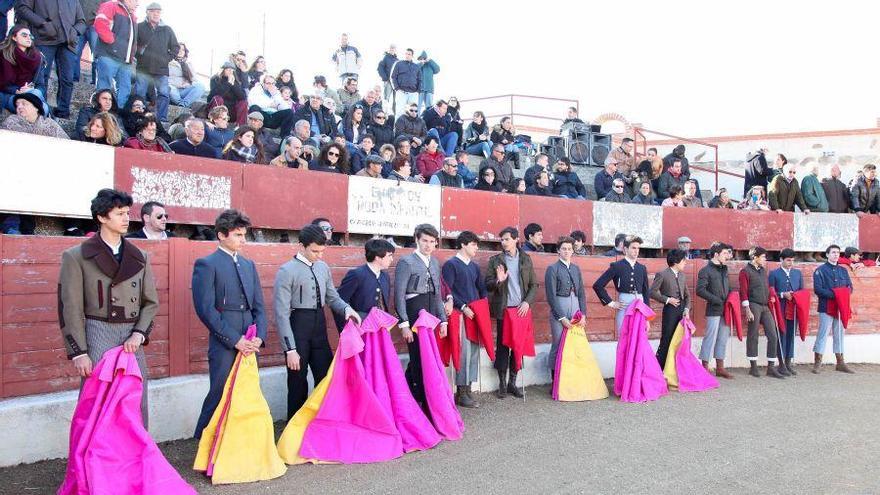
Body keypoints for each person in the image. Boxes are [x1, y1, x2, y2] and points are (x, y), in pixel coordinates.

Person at [58, 188, 158, 426]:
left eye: (127, 213)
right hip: (97, 334)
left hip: (130, 339)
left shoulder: (139, 256)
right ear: (102, 217)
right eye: (119, 214)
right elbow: (69, 307)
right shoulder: (76, 256)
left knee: (135, 399)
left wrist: (139, 333)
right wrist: (79, 352)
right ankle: (94, 462)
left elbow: (151, 303)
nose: (126, 219)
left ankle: (134, 460)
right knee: (97, 401)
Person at [191, 209, 267, 438]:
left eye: (244, 235)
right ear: (222, 235)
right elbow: (205, 309)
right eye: (237, 235)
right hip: (225, 339)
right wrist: (235, 340)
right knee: (220, 391)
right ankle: (204, 444)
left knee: (246, 393)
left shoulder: (248, 264)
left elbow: (259, 306)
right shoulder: (207, 264)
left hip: (250, 338)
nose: (243, 240)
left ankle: (239, 444)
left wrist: (258, 337)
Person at [273, 224, 359, 419]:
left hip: (319, 328)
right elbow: (281, 313)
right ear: (301, 246)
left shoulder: (323, 267)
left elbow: (332, 297)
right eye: (315, 251)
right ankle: (294, 431)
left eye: (322, 251)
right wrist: (290, 349)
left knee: (326, 377)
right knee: (297, 381)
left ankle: (323, 424)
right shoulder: (286, 271)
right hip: (298, 328)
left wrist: (347, 309)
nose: (319, 255)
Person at [394, 224, 448, 408]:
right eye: (425, 240)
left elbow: (438, 292)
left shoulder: (434, 262)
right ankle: (419, 399)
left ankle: (410, 392)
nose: (428, 245)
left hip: (430, 311)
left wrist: (443, 320)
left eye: (432, 242)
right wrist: (404, 324)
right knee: (418, 356)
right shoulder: (406, 262)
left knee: (427, 355)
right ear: (417, 239)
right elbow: (399, 294)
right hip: (414, 310)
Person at [485, 227, 537, 398]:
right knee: (503, 346)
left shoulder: (525, 259)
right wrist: (498, 281)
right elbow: (488, 285)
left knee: (518, 346)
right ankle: (501, 384)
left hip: (521, 310)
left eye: (507, 239)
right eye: (502, 240)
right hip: (504, 309)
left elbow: (533, 285)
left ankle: (512, 383)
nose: (504, 242)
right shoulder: (495, 260)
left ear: (516, 240)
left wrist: (527, 302)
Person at [441, 231, 488, 408]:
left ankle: (468, 388)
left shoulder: (474, 267)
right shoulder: (451, 265)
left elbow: (481, 288)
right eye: (474, 244)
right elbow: (448, 291)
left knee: (473, 351)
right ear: (463, 245)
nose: (476, 247)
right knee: (463, 352)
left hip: (475, 313)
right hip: (460, 314)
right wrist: (462, 307)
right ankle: (461, 392)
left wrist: (482, 304)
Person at [16, 0, 85, 118]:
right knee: (42, 77)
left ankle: (63, 111)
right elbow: (22, 8)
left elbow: (81, 21)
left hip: (67, 43)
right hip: (44, 39)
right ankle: (42, 108)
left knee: (67, 79)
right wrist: (42, 23)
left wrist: (74, 31)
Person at [545, 236, 587, 385]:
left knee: (574, 344)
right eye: (564, 248)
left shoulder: (576, 268)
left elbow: (581, 292)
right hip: (560, 307)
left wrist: (583, 314)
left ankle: (571, 380)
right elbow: (551, 296)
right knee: (558, 343)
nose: (567, 251)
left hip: (575, 306)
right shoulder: (552, 269)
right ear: (558, 250)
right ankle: (555, 382)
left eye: (569, 249)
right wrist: (561, 317)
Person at [739, 246, 785, 379]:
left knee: (773, 334)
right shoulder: (745, 271)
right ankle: (753, 366)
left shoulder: (763, 271)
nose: (765, 259)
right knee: (753, 335)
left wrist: (770, 296)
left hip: (765, 305)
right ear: (755, 257)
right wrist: (747, 309)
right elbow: (743, 291)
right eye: (763, 257)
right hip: (753, 305)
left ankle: (771, 366)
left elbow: (766, 287)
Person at [592, 235, 651, 333]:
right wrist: (611, 303)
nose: (636, 251)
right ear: (625, 249)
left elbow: (645, 292)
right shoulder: (617, 266)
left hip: (640, 306)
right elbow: (598, 285)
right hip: (625, 304)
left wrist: (647, 318)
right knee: (624, 338)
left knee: (638, 339)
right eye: (633, 248)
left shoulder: (642, 268)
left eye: (638, 248)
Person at [812, 244, 855, 374]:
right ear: (827, 255)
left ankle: (840, 362)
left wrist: (841, 296)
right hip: (826, 306)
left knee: (839, 333)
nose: (836, 254)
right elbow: (818, 290)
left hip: (840, 307)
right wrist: (836, 295)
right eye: (833, 252)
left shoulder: (843, 271)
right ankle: (817, 362)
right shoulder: (820, 270)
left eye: (838, 252)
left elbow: (850, 288)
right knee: (823, 333)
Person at [133, 3, 178, 123]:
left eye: (158, 12)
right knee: (140, 93)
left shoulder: (167, 29)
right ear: (147, 12)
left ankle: (161, 118)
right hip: (143, 67)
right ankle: (140, 117)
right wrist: (140, 54)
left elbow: (175, 47)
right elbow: (133, 45)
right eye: (153, 11)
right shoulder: (139, 27)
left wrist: (166, 58)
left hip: (161, 69)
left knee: (163, 94)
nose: (156, 14)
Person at [696, 242, 735, 379]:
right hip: (713, 308)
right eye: (724, 253)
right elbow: (700, 290)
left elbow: (727, 287)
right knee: (710, 337)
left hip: (725, 308)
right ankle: (704, 367)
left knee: (723, 338)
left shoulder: (724, 269)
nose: (727, 256)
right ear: (716, 254)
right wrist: (716, 300)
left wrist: (730, 299)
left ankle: (720, 367)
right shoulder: (705, 271)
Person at [93, 0, 138, 116]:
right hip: (108, 55)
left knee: (125, 89)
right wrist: (113, 43)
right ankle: (101, 115)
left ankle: (117, 116)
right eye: (136, 1)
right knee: (104, 87)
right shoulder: (110, 5)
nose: (137, 4)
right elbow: (100, 23)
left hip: (125, 60)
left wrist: (131, 54)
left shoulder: (133, 16)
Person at [650, 249, 690, 368]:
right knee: (667, 339)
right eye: (683, 261)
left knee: (680, 340)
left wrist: (687, 309)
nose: (685, 263)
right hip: (670, 311)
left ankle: (675, 368)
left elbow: (687, 295)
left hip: (682, 311)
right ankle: (660, 368)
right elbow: (652, 292)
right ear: (676, 262)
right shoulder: (662, 274)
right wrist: (668, 300)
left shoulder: (682, 275)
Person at [768, 248, 802, 377]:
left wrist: (796, 296)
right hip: (780, 308)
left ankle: (788, 363)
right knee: (781, 334)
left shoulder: (797, 273)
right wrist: (782, 294)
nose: (791, 263)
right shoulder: (774, 274)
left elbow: (801, 291)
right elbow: (770, 292)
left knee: (791, 335)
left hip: (793, 308)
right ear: (781, 260)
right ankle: (781, 364)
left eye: (793, 260)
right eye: (788, 260)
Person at [0, 24, 41, 113]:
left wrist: (29, 88)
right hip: (8, 94)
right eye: (24, 35)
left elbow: (41, 85)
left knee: (37, 93)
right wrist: (16, 90)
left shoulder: (37, 57)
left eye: (30, 36)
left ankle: (45, 122)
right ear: (14, 37)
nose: (28, 38)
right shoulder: (3, 54)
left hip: (30, 93)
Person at [0, 89, 68, 138]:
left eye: (24, 104)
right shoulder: (10, 122)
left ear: (36, 108)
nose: (19, 107)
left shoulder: (50, 125)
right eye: (17, 105)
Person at [246, 74, 295, 139]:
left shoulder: (276, 92)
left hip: (273, 117)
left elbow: (285, 107)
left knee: (289, 112)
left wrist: (274, 95)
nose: (271, 86)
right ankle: (254, 132)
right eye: (268, 83)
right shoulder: (256, 90)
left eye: (272, 83)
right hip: (262, 115)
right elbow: (253, 103)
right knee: (254, 107)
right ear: (263, 84)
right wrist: (270, 104)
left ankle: (284, 138)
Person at [208, 62, 248, 126]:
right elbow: (215, 94)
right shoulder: (215, 79)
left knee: (244, 102)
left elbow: (243, 97)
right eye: (228, 69)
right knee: (218, 98)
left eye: (232, 70)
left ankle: (240, 127)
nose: (230, 72)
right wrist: (228, 84)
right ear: (223, 70)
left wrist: (234, 84)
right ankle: (217, 122)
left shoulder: (235, 82)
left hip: (231, 110)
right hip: (217, 107)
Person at [167, 43, 204, 110]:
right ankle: (180, 103)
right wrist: (179, 84)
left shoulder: (188, 64)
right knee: (169, 88)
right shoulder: (168, 62)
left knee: (200, 86)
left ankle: (182, 104)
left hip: (184, 91)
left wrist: (188, 84)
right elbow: (165, 79)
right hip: (173, 89)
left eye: (183, 50)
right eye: (179, 49)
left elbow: (194, 80)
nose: (181, 51)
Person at [390, 48, 420, 116]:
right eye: (406, 54)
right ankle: (398, 127)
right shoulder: (398, 64)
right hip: (401, 92)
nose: (407, 55)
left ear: (412, 56)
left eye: (409, 54)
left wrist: (418, 91)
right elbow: (393, 77)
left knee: (413, 113)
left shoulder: (416, 67)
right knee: (399, 112)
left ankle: (412, 127)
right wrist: (397, 89)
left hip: (413, 93)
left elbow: (420, 79)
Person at [376, 44, 397, 110]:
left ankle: (394, 115)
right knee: (386, 99)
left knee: (395, 100)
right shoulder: (385, 58)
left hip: (396, 83)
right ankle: (384, 114)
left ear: (395, 50)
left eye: (393, 48)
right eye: (391, 48)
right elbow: (380, 68)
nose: (392, 49)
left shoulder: (397, 60)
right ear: (388, 49)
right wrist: (385, 78)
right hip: (388, 82)